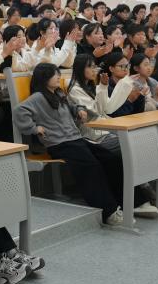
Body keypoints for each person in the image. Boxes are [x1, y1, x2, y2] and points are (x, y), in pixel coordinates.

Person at [15, 63, 128, 226]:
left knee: (111, 158)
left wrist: (78, 110)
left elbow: (71, 106)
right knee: (92, 166)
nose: (59, 77)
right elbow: (19, 111)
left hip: (75, 140)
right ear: (44, 78)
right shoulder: (38, 97)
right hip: (59, 144)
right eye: (55, 74)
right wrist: (34, 128)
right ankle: (108, 212)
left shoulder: (58, 93)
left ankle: (126, 201)